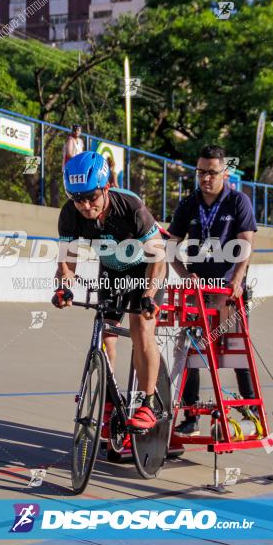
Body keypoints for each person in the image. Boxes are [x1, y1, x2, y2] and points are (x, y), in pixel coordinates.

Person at [51, 151, 166, 431]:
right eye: (78, 199)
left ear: (105, 188)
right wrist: (63, 288)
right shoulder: (70, 214)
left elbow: (159, 256)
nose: (86, 205)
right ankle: (110, 402)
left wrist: (148, 295)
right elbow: (67, 262)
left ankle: (149, 403)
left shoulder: (130, 206)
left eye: (92, 197)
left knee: (141, 331)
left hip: (144, 271)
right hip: (112, 271)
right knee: (107, 336)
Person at [167, 145, 257, 436]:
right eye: (201, 172)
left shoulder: (238, 201)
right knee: (190, 352)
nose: (205, 178)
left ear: (225, 173)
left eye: (212, 172)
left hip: (228, 292)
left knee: (235, 351)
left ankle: (250, 410)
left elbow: (245, 243)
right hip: (199, 290)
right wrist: (184, 274)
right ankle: (190, 416)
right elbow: (170, 246)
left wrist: (237, 279)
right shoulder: (189, 203)